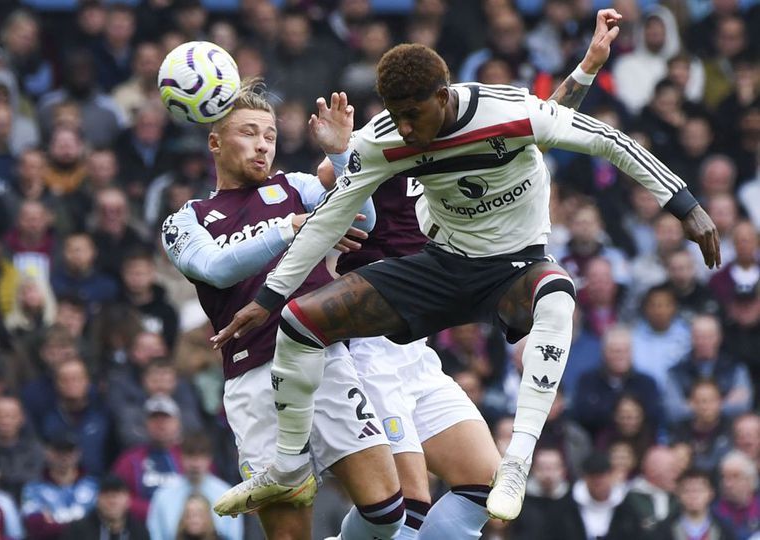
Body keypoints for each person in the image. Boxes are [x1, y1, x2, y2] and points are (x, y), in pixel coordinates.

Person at [213, 33, 721, 522]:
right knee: (299, 322)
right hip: (436, 273)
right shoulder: (383, 141)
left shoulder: (505, 114)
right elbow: (329, 215)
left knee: (558, 296)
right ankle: (285, 467)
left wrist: (686, 205)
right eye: (396, 117)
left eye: (412, 115)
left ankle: (518, 462)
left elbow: (593, 134)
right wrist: (271, 295)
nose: (406, 130)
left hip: (511, 269)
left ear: (442, 96)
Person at [161, 82, 407, 540]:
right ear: (214, 141)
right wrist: (289, 227)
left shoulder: (296, 186)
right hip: (253, 380)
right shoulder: (186, 219)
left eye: (270, 136)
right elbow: (215, 268)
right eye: (249, 133)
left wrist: (339, 157)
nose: (262, 145)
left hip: (324, 362)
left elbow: (365, 222)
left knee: (388, 514)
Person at [147, 433, 242, 540]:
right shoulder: (162, 496)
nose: (196, 463)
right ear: (181, 457)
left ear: (210, 459)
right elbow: (155, 535)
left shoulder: (228, 495)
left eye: (201, 456)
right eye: (190, 456)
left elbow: (235, 536)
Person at [62, 475, 149, 540]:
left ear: (128, 500)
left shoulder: (139, 532)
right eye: (107, 495)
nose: (112, 501)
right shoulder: (78, 530)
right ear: (97, 500)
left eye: (117, 495)